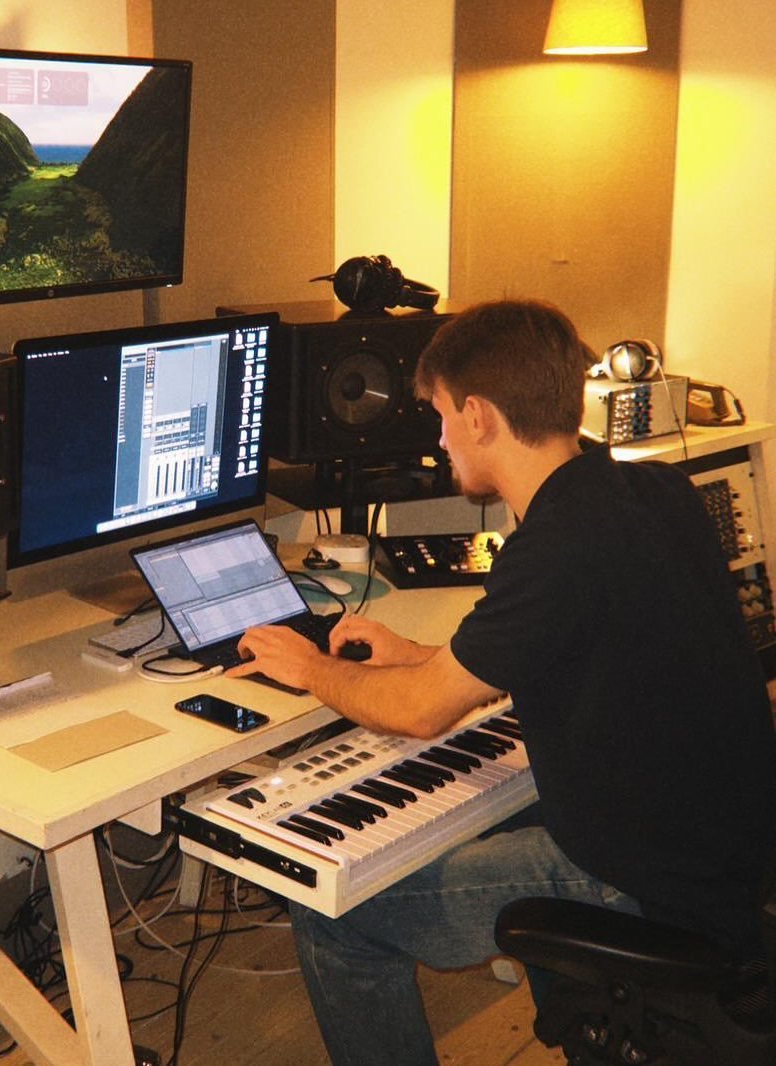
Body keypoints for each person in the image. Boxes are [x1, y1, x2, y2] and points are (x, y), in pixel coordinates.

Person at [226, 299, 776, 1066]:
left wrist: (308, 666)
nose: (440, 438)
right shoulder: (652, 492)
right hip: (728, 849)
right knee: (469, 813)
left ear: (479, 415)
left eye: (442, 416)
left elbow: (420, 716)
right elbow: (562, 647)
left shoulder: (555, 546)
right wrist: (417, 654)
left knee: (332, 913)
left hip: (643, 882)